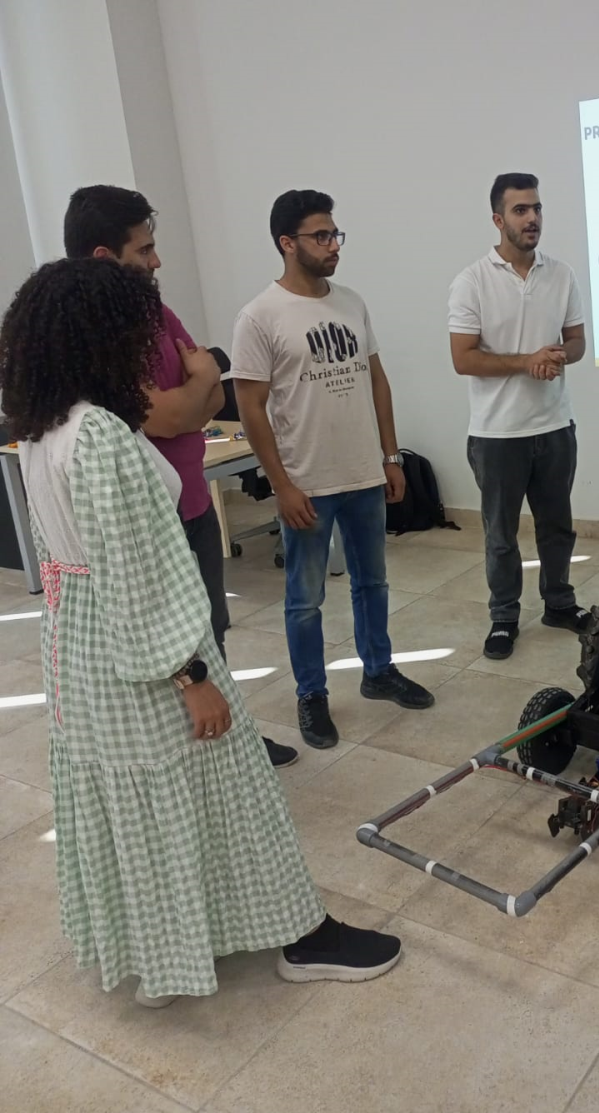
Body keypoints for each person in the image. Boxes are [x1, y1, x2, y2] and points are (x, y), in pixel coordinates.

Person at [0, 259, 401, 1004]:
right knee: (231, 789)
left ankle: (164, 956)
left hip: (84, 657)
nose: (141, 349)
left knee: (143, 810)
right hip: (143, 660)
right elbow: (136, 572)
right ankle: (303, 936)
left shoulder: (41, 429)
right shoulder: (100, 435)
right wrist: (191, 675)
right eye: (131, 333)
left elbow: (79, 563)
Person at [63, 185, 297, 770]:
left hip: (193, 502)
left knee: (211, 627)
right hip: (150, 518)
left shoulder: (157, 314)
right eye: (144, 250)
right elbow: (170, 413)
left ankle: (230, 742)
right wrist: (198, 386)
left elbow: (211, 398)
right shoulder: (92, 337)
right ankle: (196, 752)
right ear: (103, 258)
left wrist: (195, 391)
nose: (157, 261)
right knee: (172, 642)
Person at [232, 188, 433, 751]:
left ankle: (379, 671)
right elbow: (251, 408)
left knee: (373, 583)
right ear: (287, 243)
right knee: (305, 599)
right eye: (321, 236)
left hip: (364, 473)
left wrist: (390, 457)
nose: (334, 245)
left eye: (335, 234)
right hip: (308, 483)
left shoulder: (351, 302)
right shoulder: (259, 316)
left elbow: (377, 380)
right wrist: (281, 485)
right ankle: (312, 694)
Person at [449, 172, 588, 660]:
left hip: (555, 426)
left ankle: (559, 603)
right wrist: (526, 361)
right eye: (521, 210)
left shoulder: (562, 274)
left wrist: (558, 357)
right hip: (497, 434)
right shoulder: (471, 281)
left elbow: (577, 341)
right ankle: (504, 617)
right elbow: (463, 358)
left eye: (537, 208)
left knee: (557, 527)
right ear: (498, 219)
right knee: (501, 536)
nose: (532, 219)